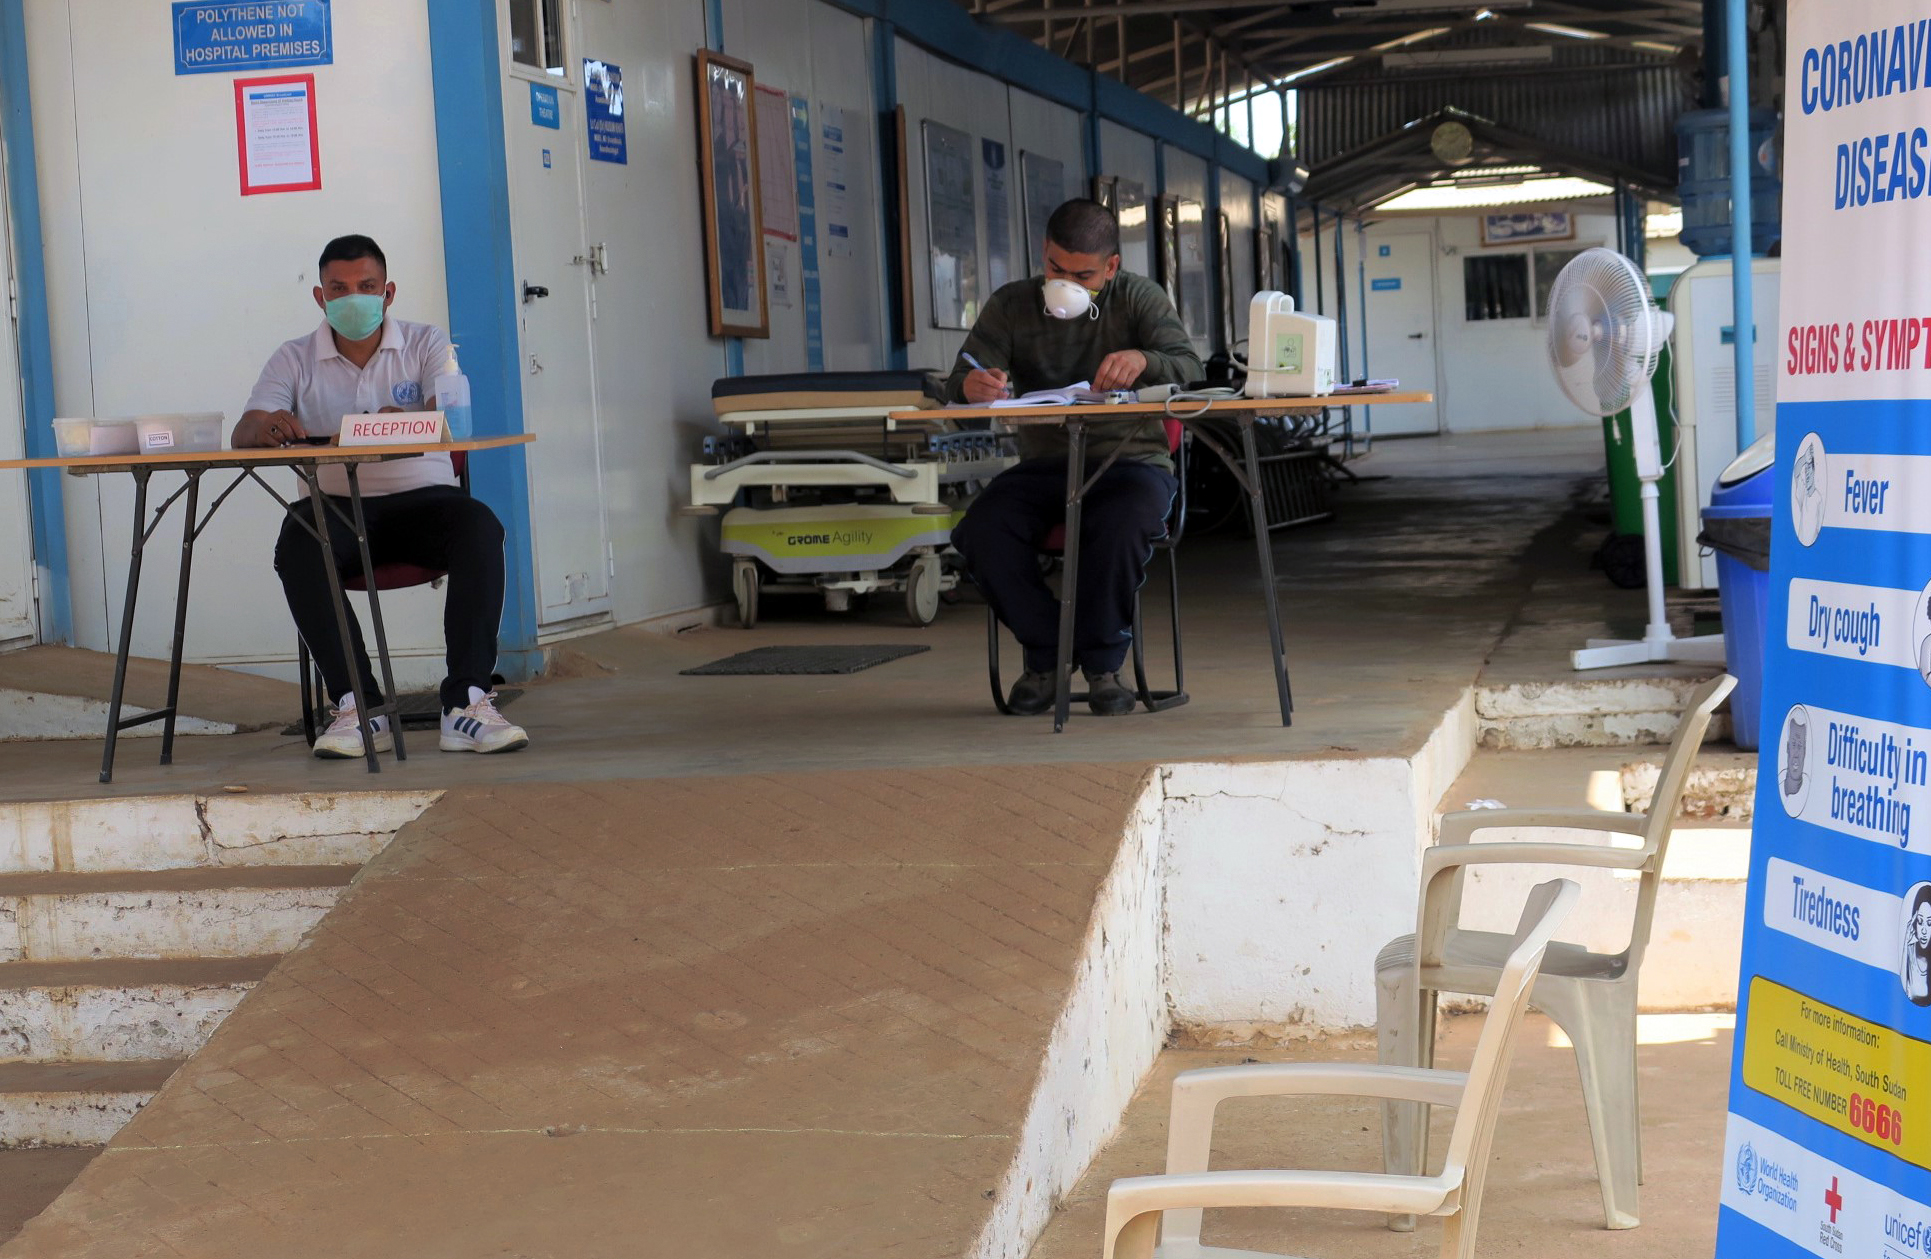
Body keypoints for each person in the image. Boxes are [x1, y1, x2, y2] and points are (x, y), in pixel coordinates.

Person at [235, 234, 528, 759]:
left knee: (480, 525)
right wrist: (266, 426)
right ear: (321, 298)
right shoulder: (294, 357)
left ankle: (467, 704)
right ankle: (359, 708)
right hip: (336, 512)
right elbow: (246, 429)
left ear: (388, 292)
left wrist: (415, 421)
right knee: (299, 542)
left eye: (366, 286)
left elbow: (450, 414)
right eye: (339, 288)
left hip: (425, 503)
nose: (354, 298)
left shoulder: (425, 342)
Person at [946, 199, 1203, 716]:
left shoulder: (1137, 299)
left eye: (1082, 274)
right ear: (1044, 253)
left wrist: (1143, 359)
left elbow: (1190, 369)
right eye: (1055, 269)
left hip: (1131, 463)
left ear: (1111, 267)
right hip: (1046, 467)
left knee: (1120, 523)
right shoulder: (1012, 305)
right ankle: (1048, 653)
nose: (1065, 282)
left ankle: (1104, 665)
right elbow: (960, 380)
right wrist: (970, 386)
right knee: (980, 529)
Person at [1904, 884, 1931, 1007]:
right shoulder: (1910, 949)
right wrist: (1905, 944)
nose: (1924, 931)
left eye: (1929, 923)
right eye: (1920, 922)